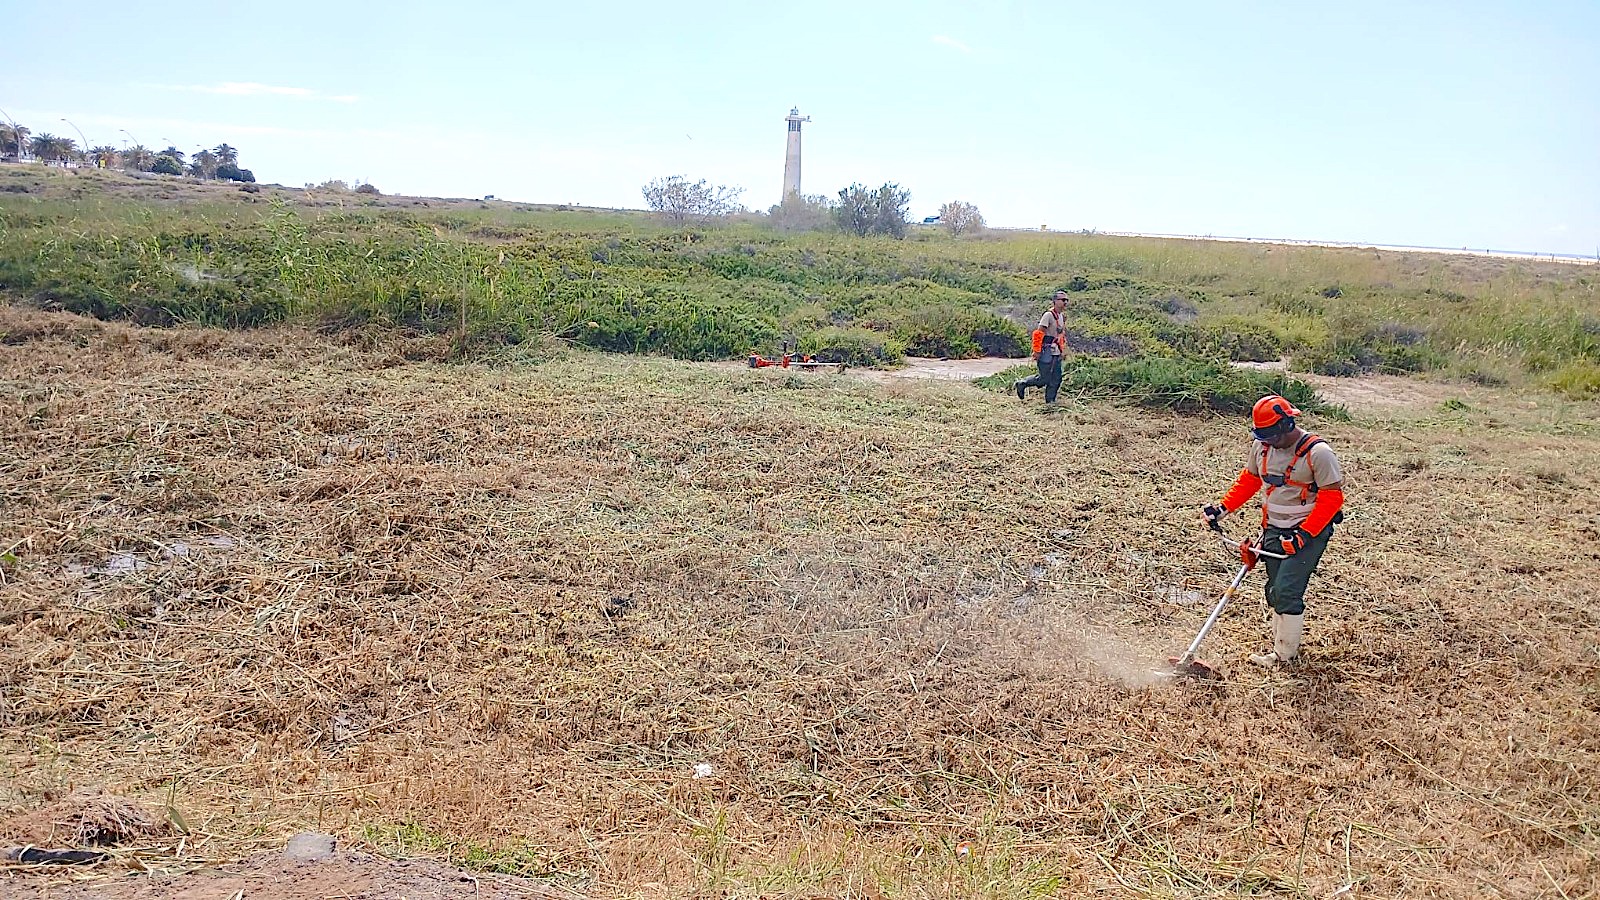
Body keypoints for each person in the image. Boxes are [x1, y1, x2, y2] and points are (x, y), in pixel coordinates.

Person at [1200, 395, 1345, 666]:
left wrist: (1304, 535)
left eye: (1271, 435)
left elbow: (1332, 498)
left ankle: (1284, 657)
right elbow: (1250, 480)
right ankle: (1281, 648)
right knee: (1275, 590)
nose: (1267, 441)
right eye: (1262, 435)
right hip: (1273, 530)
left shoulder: (1319, 453)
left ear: (1288, 423)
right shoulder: (1262, 447)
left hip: (1308, 534)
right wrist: (1222, 509)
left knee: (1288, 590)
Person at [1014, 291, 1069, 403]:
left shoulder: (1062, 316)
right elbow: (1039, 334)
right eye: (1062, 300)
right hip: (1046, 351)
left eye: (1066, 300)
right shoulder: (1048, 315)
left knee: (1056, 379)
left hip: (1056, 352)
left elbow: (1060, 335)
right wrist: (1037, 351)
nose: (1065, 302)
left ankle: (1050, 402)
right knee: (1044, 379)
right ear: (1055, 301)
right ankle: (1022, 383)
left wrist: (1062, 350)